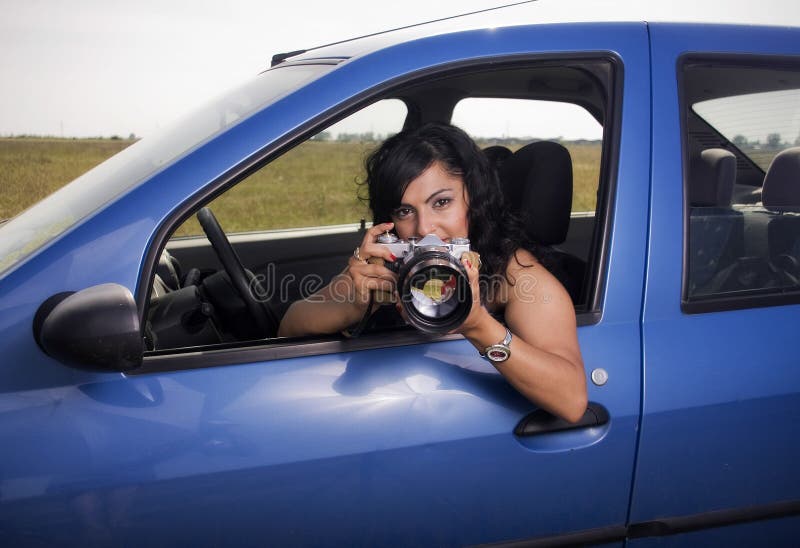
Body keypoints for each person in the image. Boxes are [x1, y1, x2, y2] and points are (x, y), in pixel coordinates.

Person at [279, 122, 587, 423]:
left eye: (442, 202)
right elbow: (289, 328)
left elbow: (571, 401)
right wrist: (354, 304)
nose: (425, 228)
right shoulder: (387, 263)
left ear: (473, 199)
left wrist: (478, 326)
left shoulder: (515, 274)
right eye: (405, 211)